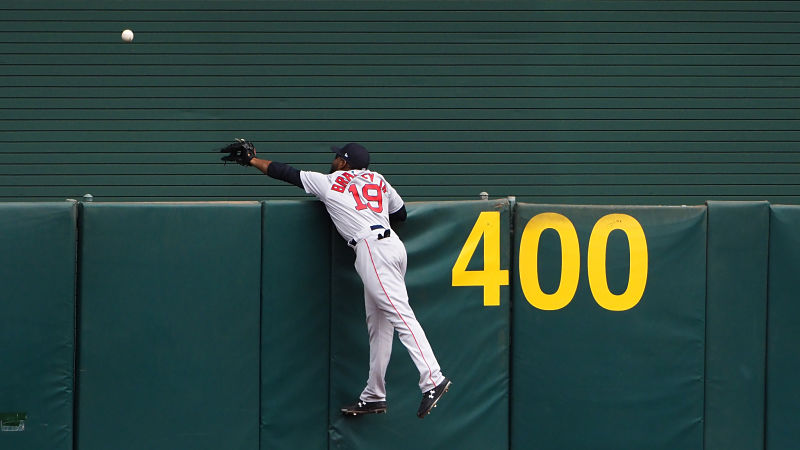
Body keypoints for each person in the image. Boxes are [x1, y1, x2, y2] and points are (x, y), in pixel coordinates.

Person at [234, 141, 451, 418]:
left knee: (401, 316)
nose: (334, 160)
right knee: (379, 327)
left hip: (373, 249)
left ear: (345, 163)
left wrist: (252, 160)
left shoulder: (329, 182)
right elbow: (401, 214)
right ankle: (374, 395)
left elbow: (284, 172)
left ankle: (432, 379)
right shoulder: (378, 179)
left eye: (338, 157)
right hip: (392, 247)